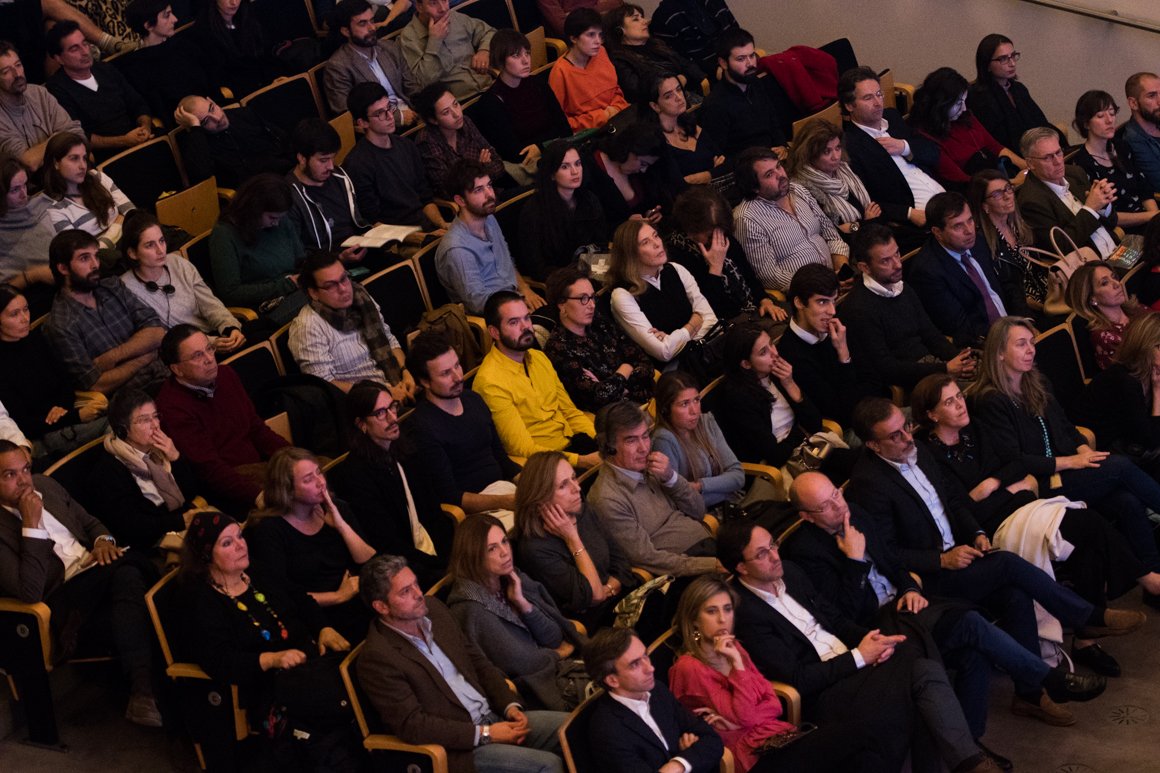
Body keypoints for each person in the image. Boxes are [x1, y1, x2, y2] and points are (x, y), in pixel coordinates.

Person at [784, 471, 1107, 736]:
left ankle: (969, 746)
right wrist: (855, 562)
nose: (838, 505)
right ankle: (1050, 678)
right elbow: (843, 616)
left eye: (836, 494)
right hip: (876, 627)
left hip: (907, 605)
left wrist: (909, 586)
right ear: (806, 516)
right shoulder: (804, 552)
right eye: (825, 505)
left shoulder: (856, 514)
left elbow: (893, 563)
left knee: (975, 652)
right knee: (970, 624)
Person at [847, 396, 1138, 684]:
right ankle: (1088, 616)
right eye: (895, 435)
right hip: (929, 578)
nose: (907, 437)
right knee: (1007, 564)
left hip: (962, 552)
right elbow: (888, 553)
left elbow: (954, 501)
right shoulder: (868, 484)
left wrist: (976, 532)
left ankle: (1031, 694)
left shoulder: (917, 450)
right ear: (873, 445)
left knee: (1017, 595)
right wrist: (941, 560)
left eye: (906, 426)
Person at [914, 372, 1160, 673]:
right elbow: (962, 506)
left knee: (1091, 528)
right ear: (931, 414)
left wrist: (993, 483)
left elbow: (1016, 463)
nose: (960, 404)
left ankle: (1089, 633)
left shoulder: (974, 429)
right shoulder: (931, 456)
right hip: (992, 524)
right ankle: (1139, 584)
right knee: (1089, 522)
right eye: (949, 402)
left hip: (1025, 506)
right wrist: (1010, 488)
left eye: (959, 396)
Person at [717, 519, 1003, 773]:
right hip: (827, 691)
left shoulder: (790, 573)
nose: (775, 556)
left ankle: (967, 761)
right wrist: (859, 656)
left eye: (773, 545)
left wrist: (872, 639)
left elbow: (836, 620)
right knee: (919, 672)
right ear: (741, 567)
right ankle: (970, 759)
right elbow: (798, 678)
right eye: (762, 554)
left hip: (855, 664)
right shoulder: (744, 612)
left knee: (913, 658)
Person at [968, 316, 1160, 596]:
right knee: (1120, 467)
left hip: (1066, 470)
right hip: (1035, 484)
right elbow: (1015, 460)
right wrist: (1073, 461)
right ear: (999, 353)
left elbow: (1067, 429)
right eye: (1021, 344)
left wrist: (1085, 452)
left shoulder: (1036, 382)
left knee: (1126, 500)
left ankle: (1153, 577)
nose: (1031, 350)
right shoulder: (990, 400)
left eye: (1032, 343)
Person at [0, 436, 164, 727]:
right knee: (131, 573)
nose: (24, 480)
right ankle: (146, 689)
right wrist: (31, 526)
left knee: (132, 582)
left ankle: (145, 691)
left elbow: (92, 524)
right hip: (63, 600)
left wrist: (103, 542)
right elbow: (30, 591)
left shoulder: (46, 485)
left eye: (25, 469)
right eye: (9, 475)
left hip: (97, 574)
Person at [177, 512, 359, 770]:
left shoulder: (255, 571)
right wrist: (272, 659)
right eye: (227, 543)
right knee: (333, 723)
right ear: (206, 555)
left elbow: (301, 598)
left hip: (309, 666)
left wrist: (324, 628)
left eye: (240, 536)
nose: (240, 546)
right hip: (266, 685)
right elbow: (218, 660)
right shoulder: (200, 599)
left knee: (360, 692)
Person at [356, 553, 569, 773]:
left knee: (574, 729)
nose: (419, 594)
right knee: (548, 765)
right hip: (462, 748)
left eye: (416, 584)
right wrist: (486, 734)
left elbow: (477, 661)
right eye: (405, 592)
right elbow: (413, 725)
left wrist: (510, 705)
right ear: (381, 607)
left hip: (495, 717)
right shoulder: (378, 658)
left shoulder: (434, 610)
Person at [669, 574, 893, 772]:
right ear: (694, 620)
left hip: (779, 738)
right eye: (711, 611)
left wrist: (745, 719)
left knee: (863, 756)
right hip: (751, 756)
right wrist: (737, 665)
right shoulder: (689, 668)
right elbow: (746, 716)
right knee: (861, 734)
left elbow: (774, 704)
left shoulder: (734, 647)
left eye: (727, 609)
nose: (722, 619)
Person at [446, 513, 588, 711]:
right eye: (492, 548)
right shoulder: (472, 609)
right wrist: (557, 654)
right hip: (537, 688)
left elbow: (554, 636)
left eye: (504, 541)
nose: (505, 553)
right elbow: (522, 664)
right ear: (473, 556)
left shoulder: (511, 578)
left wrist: (524, 605)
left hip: (556, 668)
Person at [245, 446, 375, 643]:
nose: (320, 482)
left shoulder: (335, 508)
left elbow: (368, 560)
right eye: (308, 480)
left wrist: (341, 526)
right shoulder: (269, 530)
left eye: (318, 472)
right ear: (287, 490)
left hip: (357, 596)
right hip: (316, 614)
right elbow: (281, 595)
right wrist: (338, 596)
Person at [328, 380, 452, 587]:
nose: (393, 418)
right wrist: (441, 567)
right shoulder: (354, 475)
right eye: (380, 413)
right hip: (401, 570)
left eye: (392, 407)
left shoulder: (406, 451)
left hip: (433, 553)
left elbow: (433, 512)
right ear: (361, 424)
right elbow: (387, 543)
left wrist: (453, 556)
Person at [155, 324, 290, 513]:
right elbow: (209, 469)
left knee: (319, 473)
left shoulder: (226, 375)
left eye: (209, 349)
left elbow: (256, 428)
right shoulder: (172, 408)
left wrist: (291, 456)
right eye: (197, 355)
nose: (210, 359)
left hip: (261, 467)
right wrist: (257, 495)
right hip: (230, 487)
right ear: (177, 369)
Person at [588, 399, 719, 577]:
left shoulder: (653, 467)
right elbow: (647, 559)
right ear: (609, 447)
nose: (644, 448)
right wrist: (712, 565)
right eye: (631, 440)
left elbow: (698, 510)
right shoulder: (607, 499)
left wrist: (671, 478)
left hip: (707, 546)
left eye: (645, 436)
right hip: (685, 569)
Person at [402, 331, 521, 526]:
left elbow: (501, 459)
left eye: (457, 365)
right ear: (424, 382)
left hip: (504, 491)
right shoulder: (422, 427)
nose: (458, 377)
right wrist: (506, 502)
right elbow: (451, 496)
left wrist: (532, 483)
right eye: (445, 373)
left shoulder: (473, 399)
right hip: (475, 513)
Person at [842, 224, 975, 395]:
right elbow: (887, 369)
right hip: (913, 383)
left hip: (934, 366)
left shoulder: (901, 286)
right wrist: (945, 368)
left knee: (996, 372)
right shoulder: (859, 309)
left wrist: (959, 359)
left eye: (897, 253)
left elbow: (930, 334)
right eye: (885, 261)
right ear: (865, 267)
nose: (898, 264)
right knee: (985, 393)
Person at [472, 290, 600, 469]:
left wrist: (600, 441)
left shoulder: (538, 357)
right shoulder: (490, 382)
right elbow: (522, 448)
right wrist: (582, 461)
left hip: (574, 443)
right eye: (514, 322)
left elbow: (570, 412)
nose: (525, 327)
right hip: (545, 465)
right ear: (495, 332)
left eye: (526, 318)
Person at [513, 450, 637, 630]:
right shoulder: (535, 548)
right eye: (563, 485)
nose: (577, 488)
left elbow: (621, 562)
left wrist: (609, 588)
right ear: (540, 499)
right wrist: (572, 538)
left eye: (573, 478)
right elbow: (594, 596)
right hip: (598, 624)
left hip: (622, 596)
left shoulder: (582, 510)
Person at [581, 627, 726, 773]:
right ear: (612, 680)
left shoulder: (657, 691)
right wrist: (691, 755)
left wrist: (679, 764)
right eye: (635, 664)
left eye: (645, 655)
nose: (650, 668)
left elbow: (712, 740)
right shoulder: (607, 731)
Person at [45, 229, 168, 395]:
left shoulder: (112, 286)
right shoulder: (60, 324)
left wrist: (113, 356)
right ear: (63, 268)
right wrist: (143, 358)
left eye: (96, 256)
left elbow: (157, 331)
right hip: (132, 398)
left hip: (167, 373)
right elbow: (95, 384)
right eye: (84, 258)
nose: (95, 264)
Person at [83, 387, 201, 549]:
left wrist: (176, 458)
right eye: (144, 420)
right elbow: (132, 526)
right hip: (151, 544)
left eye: (156, 416)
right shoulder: (109, 471)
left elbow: (191, 492)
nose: (155, 425)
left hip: (181, 524)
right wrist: (179, 521)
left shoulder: (161, 450)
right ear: (122, 430)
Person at [288, 251, 415, 399]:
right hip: (364, 402)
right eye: (331, 286)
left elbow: (389, 339)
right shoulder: (308, 327)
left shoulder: (362, 299)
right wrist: (383, 393)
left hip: (395, 382)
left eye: (344, 278)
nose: (343, 289)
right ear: (313, 293)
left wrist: (405, 372)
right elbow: (324, 383)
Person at [840, 66, 942, 250]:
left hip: (941, 194)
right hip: (916, 216)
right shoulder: (850, 146)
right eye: (868, 98)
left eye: (879, 94)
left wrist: (904, 147)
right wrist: (908, 213)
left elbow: (933, 153)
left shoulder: (892, 117)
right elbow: (868, 200)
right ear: (849, 106)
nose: (878, 102)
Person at [0, 283, 107, 458]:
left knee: (126, 416)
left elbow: (66, 382)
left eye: (26, 309)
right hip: (44, 435)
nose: (25, 318)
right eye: (14, 314)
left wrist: (62, 408)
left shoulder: (35, 338)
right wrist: (75, 416)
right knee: (118, 425)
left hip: (68, 414)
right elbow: (23, 424)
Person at [118, 209, 246, 353]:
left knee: (260, 331)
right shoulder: (126, 288)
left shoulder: (177, 262)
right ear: (132, 253)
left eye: (161, 241)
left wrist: (230, 328)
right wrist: (210, 342)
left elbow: (210, 304)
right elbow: (160, 337)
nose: (160, 250)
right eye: (150, 245)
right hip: (185, 353)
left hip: (215, 336)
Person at [908, 191, 1024, 347]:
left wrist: (1025, 322)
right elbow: (960, 327)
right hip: (986, 344)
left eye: (970, 220)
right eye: (958, 226)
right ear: (937, 232)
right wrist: (1008, 340)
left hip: (1015, 327)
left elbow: (1009, 285)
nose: (969, 230)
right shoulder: (927, 272)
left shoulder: (979, 241)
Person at [711, 324, 831, 473]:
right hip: (784, 466)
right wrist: (802, 431)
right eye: (763, 352)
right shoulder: (738, 398)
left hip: (808, 447)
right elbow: (775, 455)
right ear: (746, 364)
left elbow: (815, 422)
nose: (774, 353)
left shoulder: (776, 373)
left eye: (771, 344)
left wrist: (790, 384)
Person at [733, 147, 850, 292]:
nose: (781, 175)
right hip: (806, 293)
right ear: (754, 187)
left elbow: (831, 234)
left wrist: (842, 271)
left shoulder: (798, 190)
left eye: (778, 166)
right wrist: (823, 285)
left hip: (836, 279)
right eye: (769, 174)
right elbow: (769, 276)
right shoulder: (747, 219)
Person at [435, 160, 542, 315]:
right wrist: (519, 303)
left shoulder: (489, 219)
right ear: (460, 200)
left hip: (515, 300)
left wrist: (525, 289)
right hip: (496, 316)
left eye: (489, 185)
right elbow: (479, 304)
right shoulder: (457, 249)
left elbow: (506, 261)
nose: (490, 194)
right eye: (479, 190)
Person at [343, 82, 450, 238]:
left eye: (389, 107)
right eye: (380, 113)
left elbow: (425, 198)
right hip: (399, 242)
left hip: (427, 229)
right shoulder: (357, 164)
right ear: (362, 123)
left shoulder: (406, 145)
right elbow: (374, 223)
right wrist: (425, 237)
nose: (389, 116)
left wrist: (442, 224)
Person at [665, 185, 782, 326]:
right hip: (726, 323)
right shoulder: (678, 255)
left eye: (720, 231)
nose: (717, 238)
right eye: (710, 235)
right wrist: (715, 268)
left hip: (752, 309)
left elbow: (749, 275)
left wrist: (764, 300)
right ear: (691, 230)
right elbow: (712, 310)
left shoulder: (722, 235)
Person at [608, 218, 717, 369]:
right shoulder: (622, 295)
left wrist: (672, 339)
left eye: (655, 235)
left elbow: (711, 320)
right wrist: (693, 324)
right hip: (674, 371)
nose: (657, 243)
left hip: (704, 352)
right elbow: (663, 352)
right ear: (631, 255)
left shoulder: (675, 269)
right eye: (645, 242)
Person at [543, 265, 653, 413]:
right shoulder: (558, 348)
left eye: (592, 297)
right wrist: (626, 368)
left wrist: (615, 382)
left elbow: (645, 363)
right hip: (616, 417)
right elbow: (598, 397)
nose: (592, 305)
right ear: (561, 304)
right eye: (583, 298)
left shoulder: (600, 324)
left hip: (646, 401)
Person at [777, 263, 874, 428]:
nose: (832, 311)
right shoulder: (791, 355)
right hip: (850, 428)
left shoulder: (837, 328)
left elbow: (872, 378)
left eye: (833, 301)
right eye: (822, 302)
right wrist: (844, 356)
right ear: (799, 302)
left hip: (873, 411)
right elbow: (840, 412)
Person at [45, 21, 154, 160]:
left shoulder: (105, 69)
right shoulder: (56, 89)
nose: (85, 52)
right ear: (59, 58)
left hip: (139, 138)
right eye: (74, 49)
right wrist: (124, 140)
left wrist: (145, 127)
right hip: (109, 156)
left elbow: (138, 104)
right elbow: (79, 136)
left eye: (85, 43)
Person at [209, 173, 308, 321]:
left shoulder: (281, 221)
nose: (277, 223)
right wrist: (287, 285)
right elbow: (230, 292)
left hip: (294, 291)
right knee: (326, 300)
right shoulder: (224, 235)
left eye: (280, 218)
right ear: (254, 209)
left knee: (336, 287)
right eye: (272, 218)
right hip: (265, 305)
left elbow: (301, 259)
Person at [472, 29, 571, 173]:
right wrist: (549, 139)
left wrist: (539, 146)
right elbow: (514, 153)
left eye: (527, 53)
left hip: (556, 152)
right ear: (501, 61)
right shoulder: (491, 102)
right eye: (516, 55)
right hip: (530, 166)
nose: (525, 60)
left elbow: (565, 128)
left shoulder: (539, 84)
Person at [908, 67, 1025, 189]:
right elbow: (962, 180)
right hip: (979, 190)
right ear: (941, 104)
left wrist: (1027, 166)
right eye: (959, 103)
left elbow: (995, 147)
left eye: (964, 101)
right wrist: (1014, 182)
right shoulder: (926, 138)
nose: (964, 108)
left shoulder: (964, 117)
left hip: (998, 179)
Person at [1016, 126, 1119, 258]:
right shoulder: (1031, 202)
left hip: (1117, 250)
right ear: (1030, 164)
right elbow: (1061, 247)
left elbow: (1112, 222)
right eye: (1047, 157)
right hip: (1091, 265)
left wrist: (1103, 205)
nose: (1058, 161)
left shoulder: (1075, 173)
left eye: (1058, 152)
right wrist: (1091, 209)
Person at [516, 143, 608, 283]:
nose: (575, 172)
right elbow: (537, 267)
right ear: (552, 174)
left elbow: (601, 244)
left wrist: (597, 268)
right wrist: (579, 273)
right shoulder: (534, 212)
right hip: (559, 280)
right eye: (565, 167)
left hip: (590, 269)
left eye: (577, 164)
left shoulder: (588, 199)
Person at [286, 118, 374, 263]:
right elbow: (298, 255)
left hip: (360, 253)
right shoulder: (289, 196)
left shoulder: (340, 178)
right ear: (302, 158)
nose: (331, 167)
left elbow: (358, 222)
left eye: (333, 158)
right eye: (323, 160)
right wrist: (339, 259)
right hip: (325, 268)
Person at [651, 370, 743, 510]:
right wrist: (725, 489)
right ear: (666, 409)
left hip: (731, 504)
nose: (694, 411)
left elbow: (738, 476)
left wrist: (699, 486)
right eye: (684, 404)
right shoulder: (664, 440)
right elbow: (677, 501)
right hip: (703, 515)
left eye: (696, 400)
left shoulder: (706, 422)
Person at [1071, 89, 1159, 232]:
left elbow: (1144, 189)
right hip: (1122, 229)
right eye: (1100, 116)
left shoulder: (1121, 146)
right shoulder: (1082, 164)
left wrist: (1155, 219)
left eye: (1112, 114)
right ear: (1086, 124)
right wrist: (1151, 217)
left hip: (1148, 220)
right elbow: (1106, 215)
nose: (1109, 120)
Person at [698, 28, 793, 158]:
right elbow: (718, 155)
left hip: (772, 155)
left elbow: (773, 121)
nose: (750, 64)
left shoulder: (756, 83)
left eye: (752, 56)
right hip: (748, 164)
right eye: (741, 59)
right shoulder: (715, 105)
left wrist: (782, 145)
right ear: (723, 63)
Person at [115, 0, 212, 126]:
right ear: (148, 25)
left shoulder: (185, 45)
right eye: (167, 15)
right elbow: (157, 108)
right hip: (180, 125)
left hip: (211, 110)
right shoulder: (134, 67)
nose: (175, 19)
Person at [1084, 311, 1160, 463]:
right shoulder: (1124, 381)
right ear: (1143, 348)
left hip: (1132, 440)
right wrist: (1158, 392)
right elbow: (1150, 440)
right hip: (1104, 446)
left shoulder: (1149, 371)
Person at [172, 96, 295, 189]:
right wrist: (195, 127)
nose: (217, 118)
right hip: (255, 193)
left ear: (212, 101)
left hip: (284, 175)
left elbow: (282, 138)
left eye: (212, 109)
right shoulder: (199, 144)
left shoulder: (243, 114)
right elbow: (202, 176)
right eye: (206, 121)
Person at [967, 169, 1046, 310]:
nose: (1007, 196)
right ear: (984, 205)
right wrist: (1041, 307)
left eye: (1008, 188)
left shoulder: (1018, 226)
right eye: (997, 194)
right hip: (1023, 310)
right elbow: (1004, 293)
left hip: (1048, 295)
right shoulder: (981, 244)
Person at [966, 35, 1058, 155]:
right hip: (1008, 156)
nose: (1012, 63)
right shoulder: (978, 96)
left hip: (1033, 149)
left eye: (1013, 56)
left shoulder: (1019, 89)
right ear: (987, 64)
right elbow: (995, 140)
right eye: (1003, 59)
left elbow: (1039, 122)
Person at [789, 117, 881, 237]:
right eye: (827, 152)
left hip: (874, 231)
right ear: (809, 155)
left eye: (837, 148)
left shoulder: (844, 169)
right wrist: (866, 223)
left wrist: (859, 225)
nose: (836, 157)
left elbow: (875, 207)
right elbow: (831, 234)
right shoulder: (803, 190)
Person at [323, 0, 414, 120]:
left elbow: (411, 86)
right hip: (383, 125)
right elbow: (347, 114)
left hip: (413, 112)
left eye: (372, 20)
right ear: (346, 31)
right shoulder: (338, 67)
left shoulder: (389, 47)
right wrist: (400, 117)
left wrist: (424, 108)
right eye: (362, 23)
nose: (372, 28)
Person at [0, 41, 83, 171]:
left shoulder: (39, 93)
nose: (17, 74)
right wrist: (59, 136)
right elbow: (29, 163)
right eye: (6, 72)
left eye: (18, 65)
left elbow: (78, 134)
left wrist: (41, 152)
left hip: (66, 170)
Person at [412, 82, 506, 197]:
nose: (456, 114)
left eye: (456, 104)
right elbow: (447, 190)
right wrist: (480, 168)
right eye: (446, 112)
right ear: (433, 120)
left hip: (492, 193)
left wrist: (476, 174)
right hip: (464, 205)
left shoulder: (465, 122)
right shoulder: (427, 141)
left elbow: (498, 164)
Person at [41, 132, 134, 244]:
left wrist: (103, 240)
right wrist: (118, 223)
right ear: (56, 163)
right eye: (74, 158)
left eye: (84, 158)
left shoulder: (97, 177)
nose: (83, 166)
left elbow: (132, 214)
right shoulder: (53, 208)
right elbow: (82, 251)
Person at [604, 4, 704, 106]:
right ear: (619, 30)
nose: (645, 21)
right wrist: (679, 81)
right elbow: (639, 91)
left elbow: (687, 64)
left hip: (688, 97)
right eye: (636, 19)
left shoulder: (656, 44)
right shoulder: (619, 59)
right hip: (660, 108)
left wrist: (684, 78)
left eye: (642, 17)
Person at [549, 8, 629, 132]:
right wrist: (602, 116)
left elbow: (615, 91)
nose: (598, 41)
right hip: (589, 132)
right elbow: (560, 122)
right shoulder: (560, 72)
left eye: (600, 35)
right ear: (574, 38)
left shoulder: (601, 52)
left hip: (618, 117)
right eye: (591, 35)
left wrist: (616, 108)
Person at [397, 0, 495, 99]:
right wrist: (434, 42)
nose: (443, 9)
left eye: (444, 0)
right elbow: (421, 83)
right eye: (433, 3)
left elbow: (489, 32)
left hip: (490, 86)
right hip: (461, 101)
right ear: (419, 7)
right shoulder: (408, 38)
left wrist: (484, 50)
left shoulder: (454, 17)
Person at [584, 122, 676, 225]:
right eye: (643, 163)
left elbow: (653, 202)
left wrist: (654, 214)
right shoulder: (590, 167)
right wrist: (626, 225)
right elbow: (593, 224)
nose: (643, 170)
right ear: (628, 149)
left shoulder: (642, 173)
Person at [189, 0, 285, 100]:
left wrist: (276, 78)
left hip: (266, 84)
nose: (234, 2)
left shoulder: (249, 18)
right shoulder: (202, 34)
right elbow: (219, 79)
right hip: (240, 94)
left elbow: (264, 55)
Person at [647, 73, 724, 185]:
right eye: (668, 96)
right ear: (655, 106)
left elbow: (722, 159)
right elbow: (678, 186)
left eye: (679, 90)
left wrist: (708, 175)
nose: (679, 98)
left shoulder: (690, 124)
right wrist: (715, 172)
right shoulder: (656, 143)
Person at [0, 158, 57, 309]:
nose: (24, 194)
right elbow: (2, 294)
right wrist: (34, 275)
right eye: (15, 190)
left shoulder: (38, 206)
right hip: (30, 301)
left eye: (24, 185)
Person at [1065, 262, 1142, 369]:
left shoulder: (1137, 309)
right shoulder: (1105, 338)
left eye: (1114, 277)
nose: (1117, 284)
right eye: (1105, 283)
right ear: (1092, 298)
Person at [648, 0, 738, 75]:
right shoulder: (663, 16)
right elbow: (679, 61)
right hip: (707, 78)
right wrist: (718, 69)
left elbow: (736, 34)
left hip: (735, 64)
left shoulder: (714, 2)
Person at [1121, 72, 1160, 194]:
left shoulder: (1156, 121)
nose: (1159, 101)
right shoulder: (1133, 140)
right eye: (1152, 96)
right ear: (1133, 103)